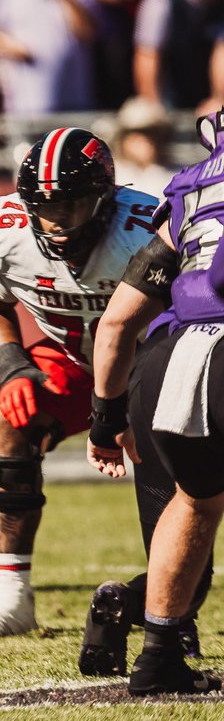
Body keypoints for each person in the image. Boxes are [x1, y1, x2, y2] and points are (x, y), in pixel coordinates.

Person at [0, 127, 167, 639]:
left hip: (155, 364)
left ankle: (169, 608)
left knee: (178, 481)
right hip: (72, 363)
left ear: (104, 199)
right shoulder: (5, 229)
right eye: (45, 206)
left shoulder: (149, 227)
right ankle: (11, 597)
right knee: (10, 421)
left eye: (71, 205)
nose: (56, 221)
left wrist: (127, 408)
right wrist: (13, 365)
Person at [86, 108, 224, 694]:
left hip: (177, 355)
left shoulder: (191, 188)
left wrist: (105, 419)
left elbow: (116, 322)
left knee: (195, 500)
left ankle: (159, 657)